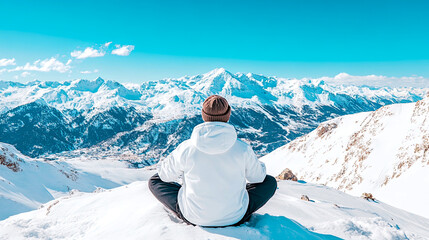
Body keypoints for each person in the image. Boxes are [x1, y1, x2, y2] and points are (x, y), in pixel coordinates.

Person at [148, 95, 277, 227]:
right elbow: (258, 177)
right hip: (235, 217)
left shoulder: (187, 147)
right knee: (270, 182)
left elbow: (165, 175)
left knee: (155, 181)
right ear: (228, 115)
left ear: (204, 116)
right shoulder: (242, 148)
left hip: (194, 216)